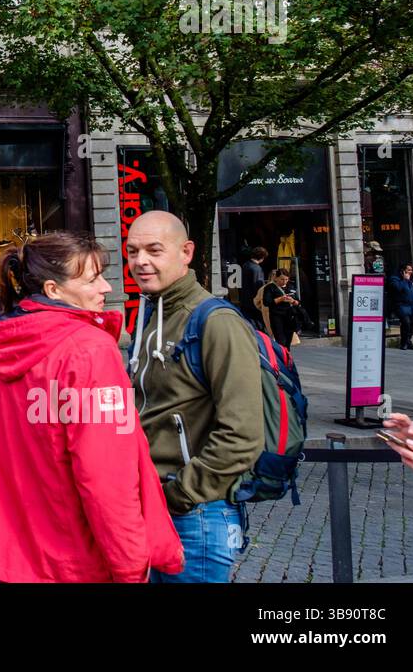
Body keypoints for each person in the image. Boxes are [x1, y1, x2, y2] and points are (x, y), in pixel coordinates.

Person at [0, 232, 184, 582]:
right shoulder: (89, 350)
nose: (106, 288)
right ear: (53, 290)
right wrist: (130, 565)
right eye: (93, 279)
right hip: (77, 557)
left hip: (17, 553)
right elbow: (107, 476)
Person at [126, 211, 263, 583]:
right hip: (155, 510)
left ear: (186, 252)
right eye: (133, 251)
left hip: (196, 517)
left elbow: (243, 434)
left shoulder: (217, 322)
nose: (141, 261)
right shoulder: (149, 315)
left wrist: (179, 494)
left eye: (154, 250)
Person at [260, 268, 300, 349]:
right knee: (281, 341)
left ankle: (287, 358)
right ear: (276, 278)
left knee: (288, 341)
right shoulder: (270, 287)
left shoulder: (290, 286)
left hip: (290, 316)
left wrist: (293, 301)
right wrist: (280, 299)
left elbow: (298, 301)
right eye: (282, 279)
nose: (284, 281)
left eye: (286, 279)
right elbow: (266, 302)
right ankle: (282, 357)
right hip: (277, 316)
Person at [387, 264, 413, 350]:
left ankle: (408, 341)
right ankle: (404, 343)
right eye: (408, 270)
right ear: (403, 271)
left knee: (412, 324)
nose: (410, 272)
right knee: (406, 323)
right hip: (401, 305)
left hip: (411, 306)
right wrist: (405, 280)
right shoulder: (395, 279)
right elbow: (397, 288)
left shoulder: (411, 279)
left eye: (411, 270)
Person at [239, 246, 268, 331]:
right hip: (253, 300)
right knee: (257, 323)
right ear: (262, 257)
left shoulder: (245, 265)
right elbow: (258, 286)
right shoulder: (256, 268)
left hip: (245, 298)